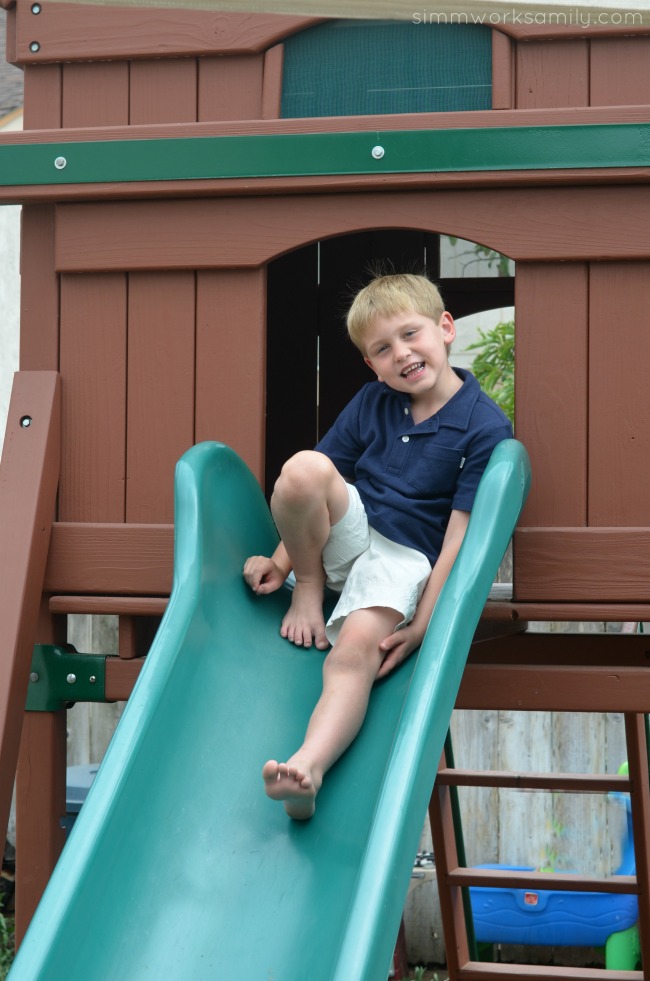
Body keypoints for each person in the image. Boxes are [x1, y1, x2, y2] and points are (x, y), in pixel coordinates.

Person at [243, 273, 512, 819]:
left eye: (411, 335)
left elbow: (459, 537)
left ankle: (308, 769)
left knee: (351, 656)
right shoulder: (373, 401)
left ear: (445, 328)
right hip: (350, 537)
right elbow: (321, 486)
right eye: (383, 350)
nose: (402, 355)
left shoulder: (483, 428)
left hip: (402, 561)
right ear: (371, 365)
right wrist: (280, 562)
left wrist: (423, 625)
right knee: (302, 470)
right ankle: (309, 591)